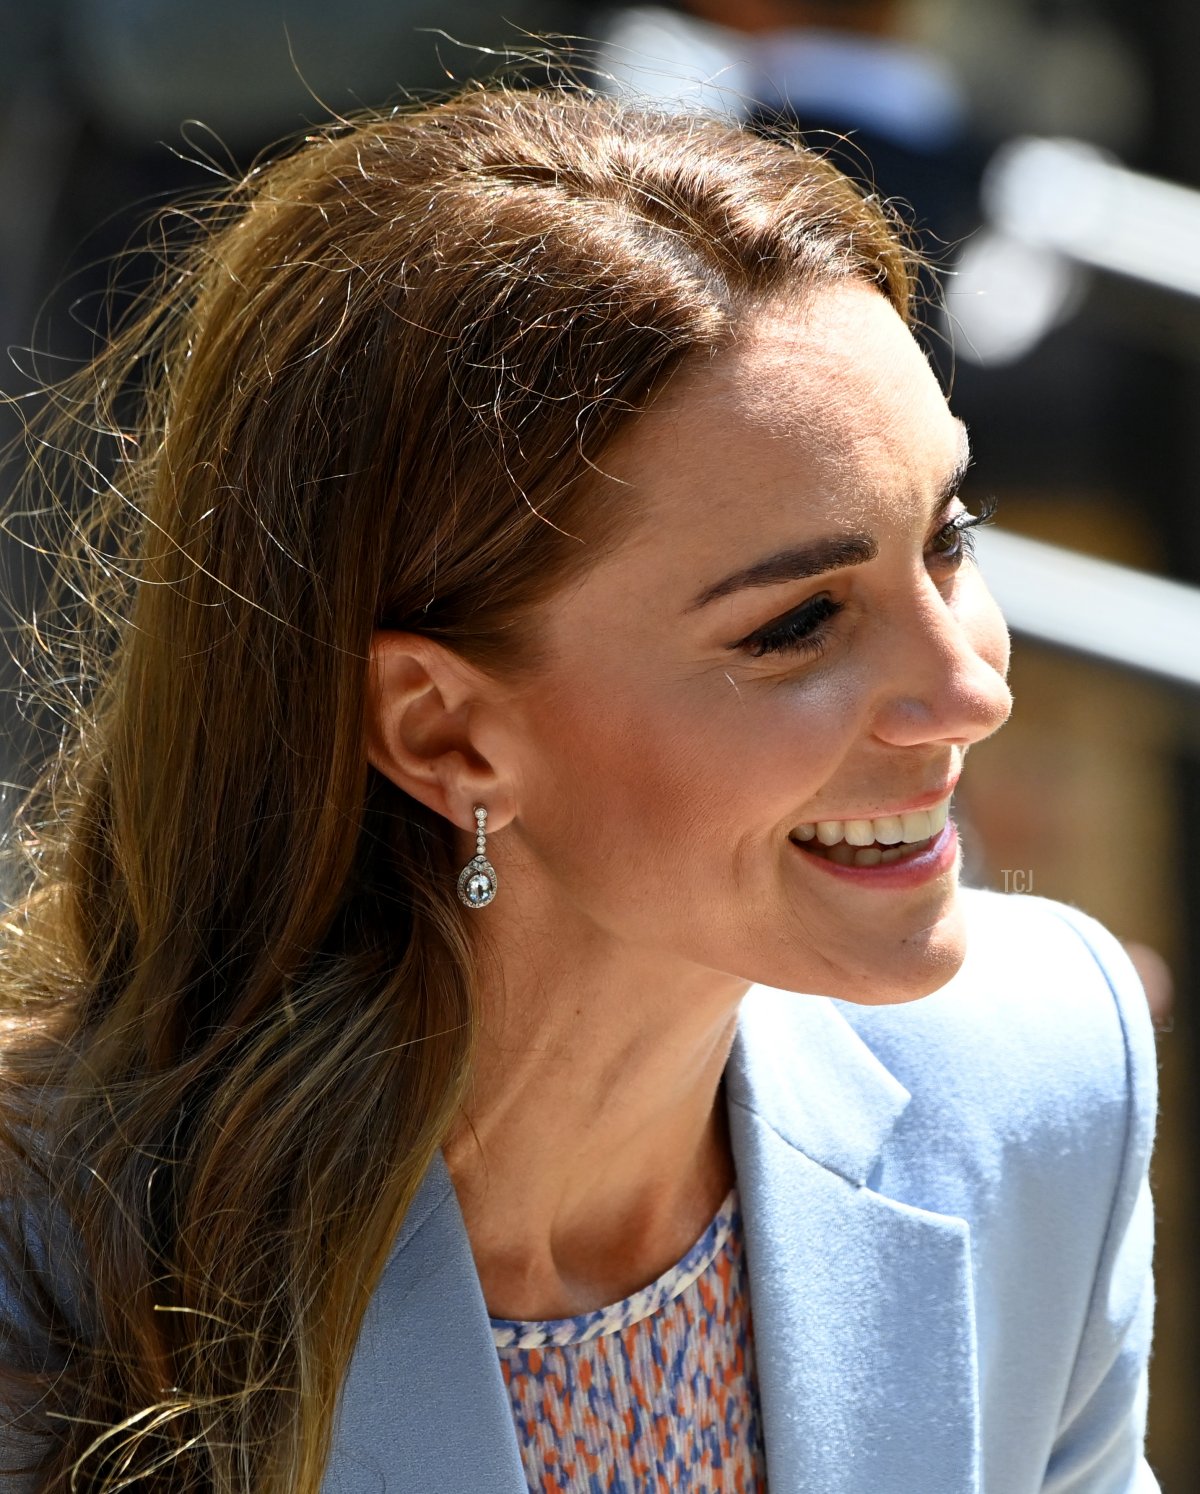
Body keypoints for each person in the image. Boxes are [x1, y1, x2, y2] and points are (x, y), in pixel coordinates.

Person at [0, 82, 1157, 1493]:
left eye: (951, 539)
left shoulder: (1043, 1083)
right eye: (796, 623)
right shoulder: (43, 1266)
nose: (974, 689)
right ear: (442, 732)